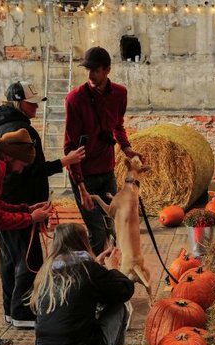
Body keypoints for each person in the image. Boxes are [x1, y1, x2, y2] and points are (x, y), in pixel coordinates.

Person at [0, 82, 86, 329]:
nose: (36, 107)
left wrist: (25, 210)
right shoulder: (20, 136)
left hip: (11, 206)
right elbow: (33, 173)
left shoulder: (1, 134)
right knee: (29, 260)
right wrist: (30, 216)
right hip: (13, 208)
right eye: (32, 103)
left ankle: (11, 312)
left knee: (10, 260)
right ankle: (23, 314)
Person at [29, 223, 133, 345]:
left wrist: (97, 267)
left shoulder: (46, 273)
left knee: (68, 328)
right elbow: (124, 291)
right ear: (84, 242)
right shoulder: (89, 270)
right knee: (119, 308)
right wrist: (113, 269)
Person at [64, 46, 143, 255]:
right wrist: (80, 186)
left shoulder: (119, 94)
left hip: (106, 171)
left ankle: (115, 270)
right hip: (84, 175)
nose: (90, 75)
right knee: (97, 233)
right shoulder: (75, 99)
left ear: (107, 70)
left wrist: (126, 148)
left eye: (95, 70)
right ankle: (92, 274)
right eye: (87, 70)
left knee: (115, 225)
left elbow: (117, 125)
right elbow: (69, 146)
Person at [0, 129, 54, 345]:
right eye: (21, 164)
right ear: (10, 156)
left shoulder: (0, 161)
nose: (21, 170)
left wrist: (25, 209)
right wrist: (29, 218)